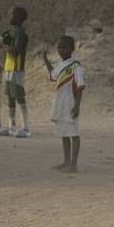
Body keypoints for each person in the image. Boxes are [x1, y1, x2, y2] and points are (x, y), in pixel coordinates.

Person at [43, 35, 85, 172]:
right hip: (60, 100)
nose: (61, 50)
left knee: (73, 132)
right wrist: (45, 60)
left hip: (70, 101)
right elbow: (53, 76)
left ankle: (74, 164)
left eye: (64, 47)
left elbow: (79, 87)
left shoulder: (76, 66)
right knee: (64, 132)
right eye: (59, 47)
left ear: (72, 49)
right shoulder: (61, 64)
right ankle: (66, 161)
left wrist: (77, 105)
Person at [0, 6, 30, 137]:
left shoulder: (21, 33)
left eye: (12, 14)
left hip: (17, 69)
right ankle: (11, 127)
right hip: (9, 68)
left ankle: (26, 128)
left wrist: (6, 47)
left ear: (19, 18)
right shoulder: (14, 32)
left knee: (19, 97)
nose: (9, 16)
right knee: (10, 97)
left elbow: (16, 50)